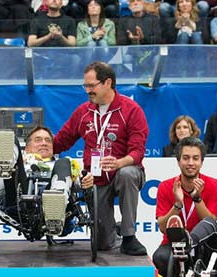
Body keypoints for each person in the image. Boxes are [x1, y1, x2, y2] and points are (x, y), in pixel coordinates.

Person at [53, 61, 149, 256]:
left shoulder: (131, 110)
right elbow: (62, 140)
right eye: (85, 86)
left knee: (127, 174)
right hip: (96, 179)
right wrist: (39, 148)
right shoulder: (83, 112)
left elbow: (138, 152)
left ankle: (129, 236)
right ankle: (115, 230)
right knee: (102, 244)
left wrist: (119, 162)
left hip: (124, 171)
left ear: (107, 83)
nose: (87, 90)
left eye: (91, 86)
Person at [0, 126, 86, 235]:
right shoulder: (19, 167)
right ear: (27, 148)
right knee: (10, 139)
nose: (44, 143)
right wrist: (15, 172)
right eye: (38, 140)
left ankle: (54, 210)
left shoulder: (63, 165)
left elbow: (80, 187)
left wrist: (84, 181)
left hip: (57, 205)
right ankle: (5, 161)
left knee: (64, 162)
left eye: (48, 140)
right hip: (20, 203)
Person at [152, 136, 217, 277]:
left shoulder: (215, 185)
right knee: (160, 257)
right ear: (178, 161)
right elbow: (163, 228)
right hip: (174, 245)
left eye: (195, 158)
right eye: (185, 158)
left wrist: (197, 198)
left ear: (201, 162)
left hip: (204, 245)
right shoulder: (166, 186)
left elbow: (211, 223)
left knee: (216, 257)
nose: (190, 163)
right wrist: (178, 203)